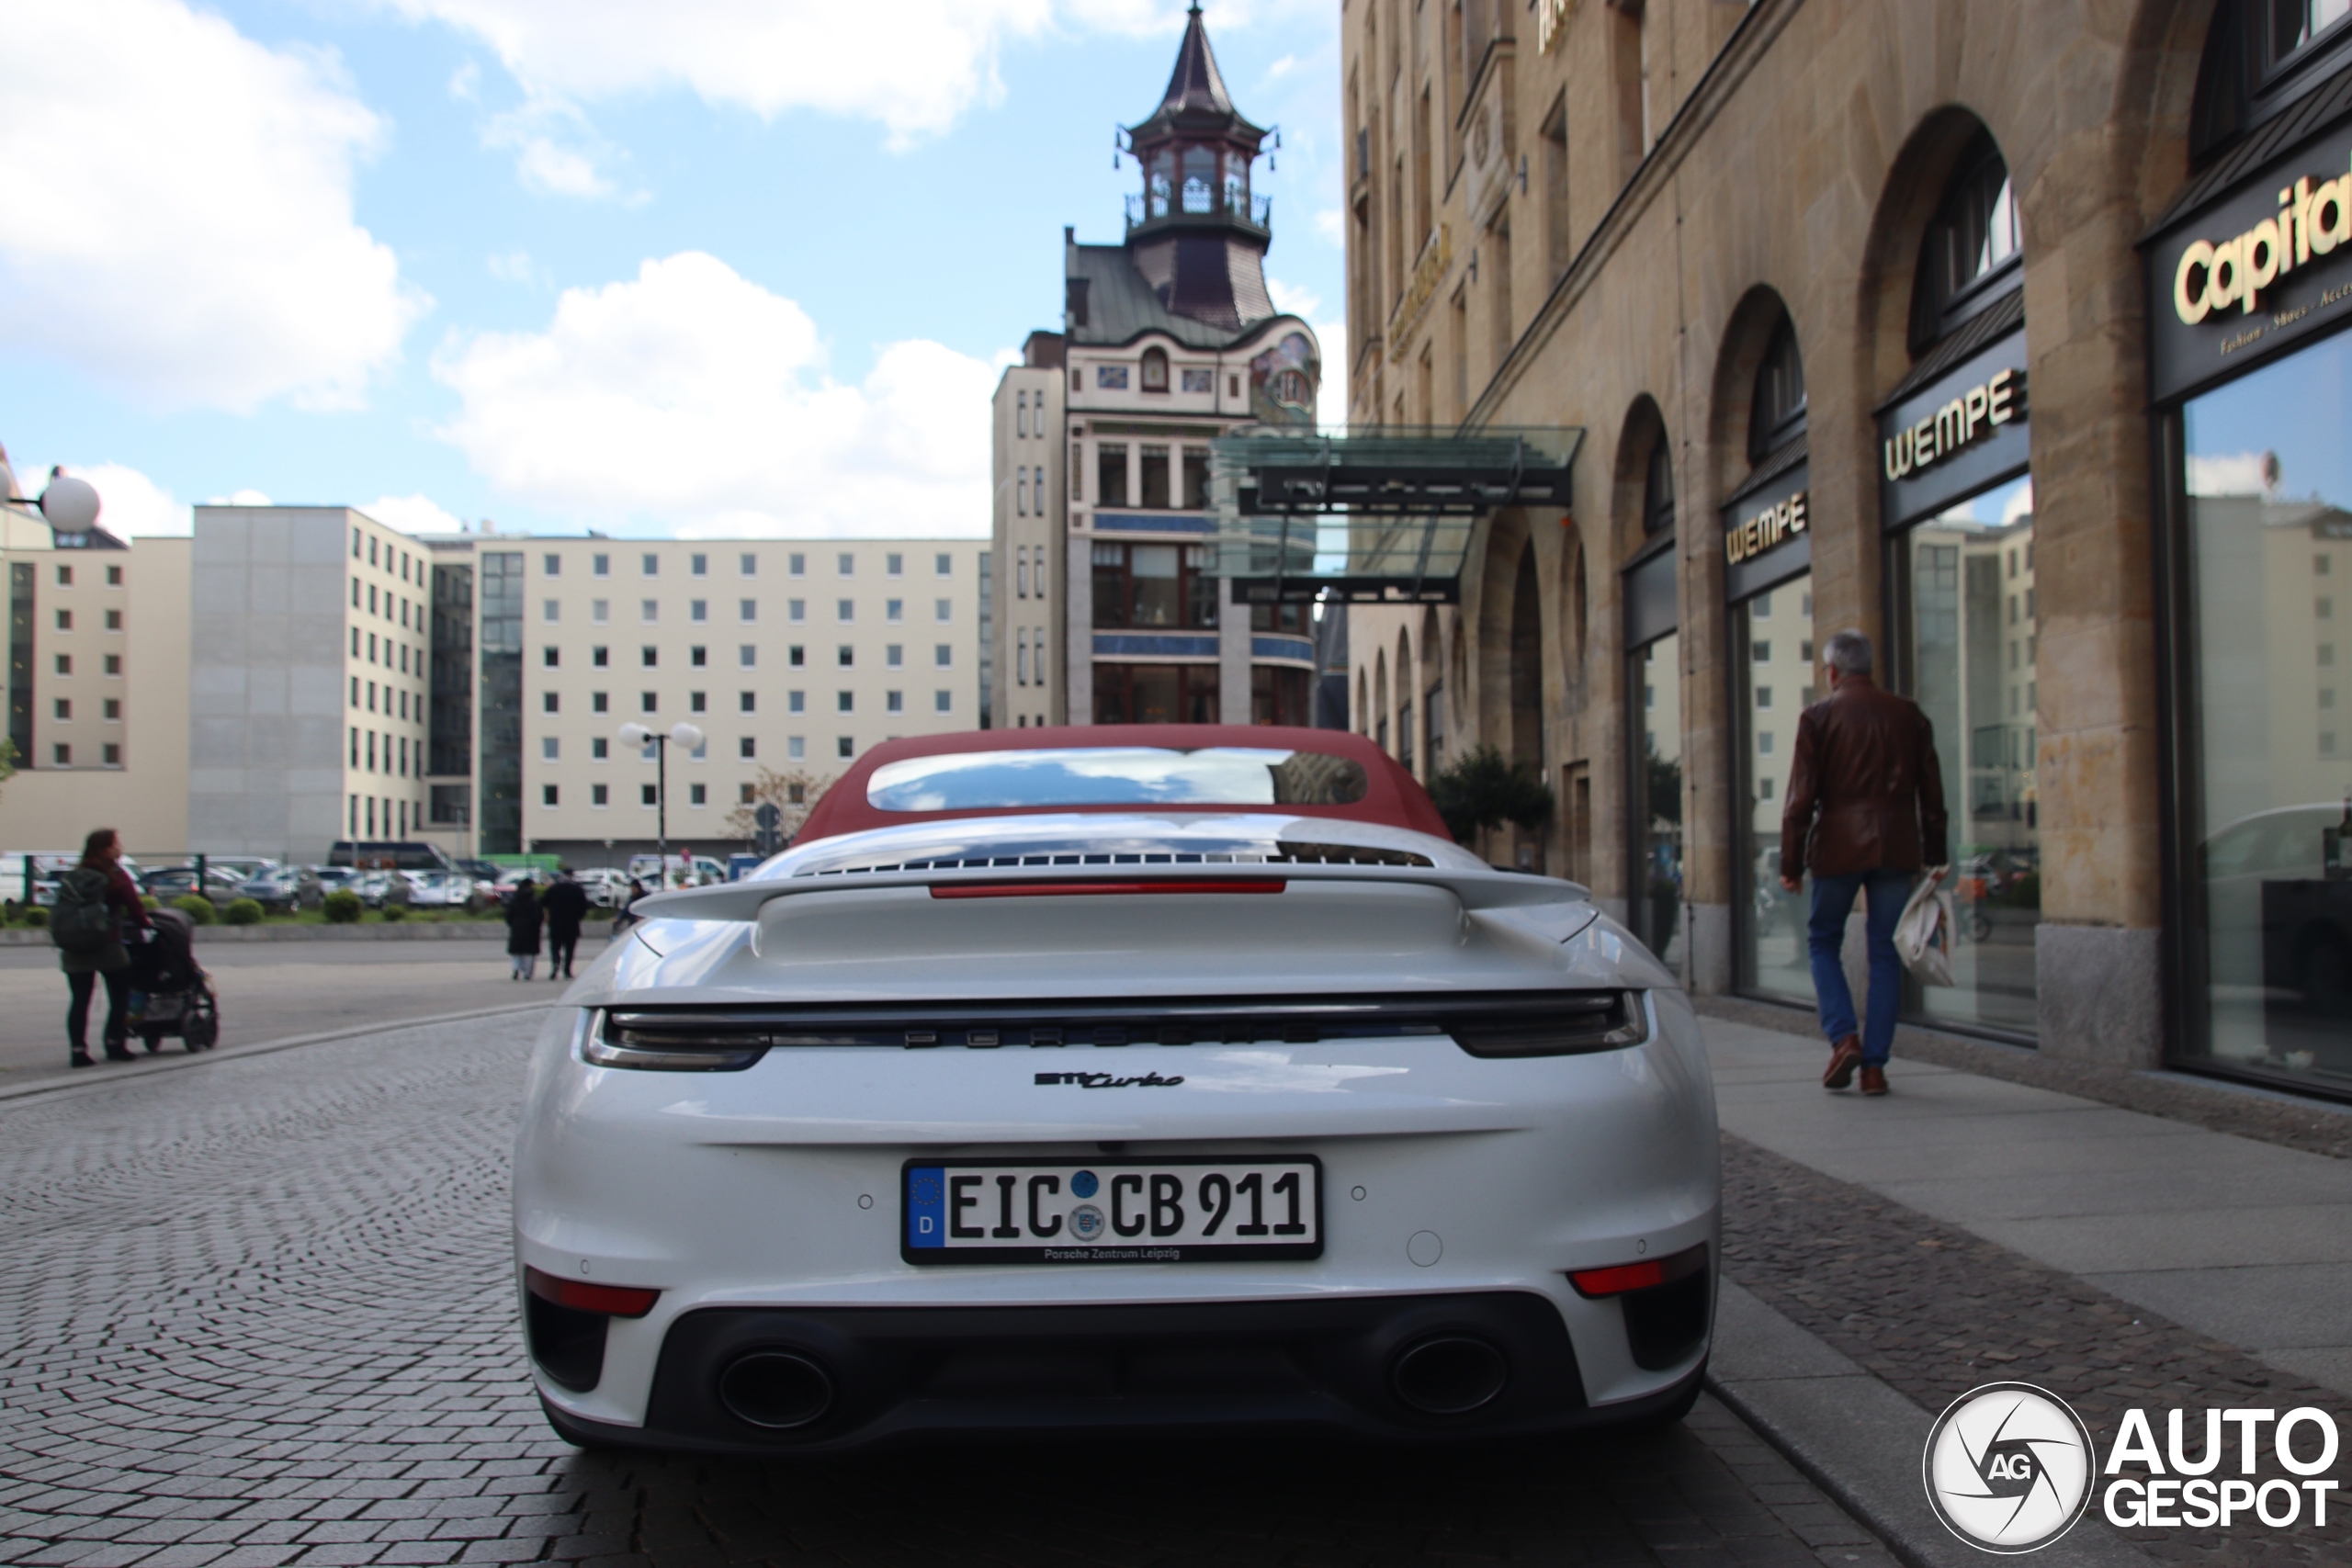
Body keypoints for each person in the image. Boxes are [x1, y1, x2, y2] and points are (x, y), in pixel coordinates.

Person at [1779, 629, 1948, 1098]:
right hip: (1896, 847)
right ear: (1867, 669)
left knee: (1822, 941)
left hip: (1838, 846)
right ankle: (1874, 1068)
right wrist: (1936, 852)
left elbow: (1800, 799)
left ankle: (1843, 1037)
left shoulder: (1818, 716)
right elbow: (1931, 792)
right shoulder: (1908, 715)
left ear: (1833, 671)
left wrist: (1790, 861)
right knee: (1885, 955)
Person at [52, 828, 152, 1068]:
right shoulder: (116, 875)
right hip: (107, 944)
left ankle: (78, 1050)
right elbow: (135, 908)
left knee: (80, 1000)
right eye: (117, 843)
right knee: (120, 995)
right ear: (106, 849)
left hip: (75, 946)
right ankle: (114, 1042)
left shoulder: (75, 876)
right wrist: (146, 924)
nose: (121, 847)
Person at [542, 867, 589, 980]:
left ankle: (556, 964)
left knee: (555, 947)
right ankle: (567, 970)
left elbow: (543, 902)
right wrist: (578, 916)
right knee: (570, 948)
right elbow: (584, 906)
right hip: (571, 924)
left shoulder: (554, 889)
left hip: (556, 923)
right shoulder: (577, 889)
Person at [505, 877, 544, 981]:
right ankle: (527, 973)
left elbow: (509, 915)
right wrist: (537, 925)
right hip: (531, 928)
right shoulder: (534, 900)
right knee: (529, 953)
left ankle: (516, 970)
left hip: (517, 927)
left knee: (516, 952)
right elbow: (539, 916)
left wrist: (513, 924)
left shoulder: (514, 899)